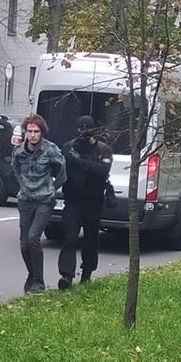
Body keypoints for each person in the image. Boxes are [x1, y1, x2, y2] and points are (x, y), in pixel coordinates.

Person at [11, 114, 66, 294]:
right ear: (25, 132)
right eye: (30, 131)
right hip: (25, 200)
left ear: (42, 132)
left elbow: (62, 172)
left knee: (33, 237)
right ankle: (32, 275)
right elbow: (15, 169)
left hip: (44, 200)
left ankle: (38, 282)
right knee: (24, 245)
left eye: (36, 131)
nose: (33, 135)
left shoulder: (50, 150)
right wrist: (23, 186)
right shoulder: (19, 152)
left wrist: (52, 188)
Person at [57, 115, 113, 289]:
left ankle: (87, 272)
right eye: (81, 129)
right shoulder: (68, 147)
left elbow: (102, 170)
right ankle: (66, 275)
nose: (84, 133)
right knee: (69, 238)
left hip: (93, 201)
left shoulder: (103, 149)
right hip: (73, 200)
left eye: (87, 129)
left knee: (90, 240)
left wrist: (80, 161)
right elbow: (60, 170)